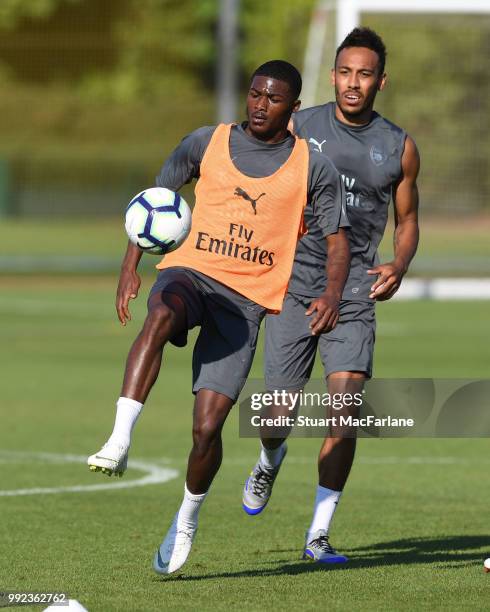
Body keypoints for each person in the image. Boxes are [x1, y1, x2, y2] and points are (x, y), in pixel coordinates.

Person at [87, 60, 351, 575]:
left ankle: (186, 516)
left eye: (273, 99)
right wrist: (129, 269)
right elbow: (154, 205)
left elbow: (337, 242)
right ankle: (120, 437)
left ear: (292, 109)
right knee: (160, 315)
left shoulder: (313, 169)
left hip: (246, 303)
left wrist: (333, 293)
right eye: (254, 94)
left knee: (207, 431)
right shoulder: (204, 141)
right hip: (191, 274)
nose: (259, 104)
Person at [242, 28, 420, 564]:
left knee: (344, 415)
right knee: (277, 417)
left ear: (380, 81)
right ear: (333, 75)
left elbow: (408, 220)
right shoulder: (298, 126)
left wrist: (400, 262)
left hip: (356, 293)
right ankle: (270, 458)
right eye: (345, 72)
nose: (353, 83)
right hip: (295, 285)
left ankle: (318, 535)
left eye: (365, 74)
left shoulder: (400, 146)